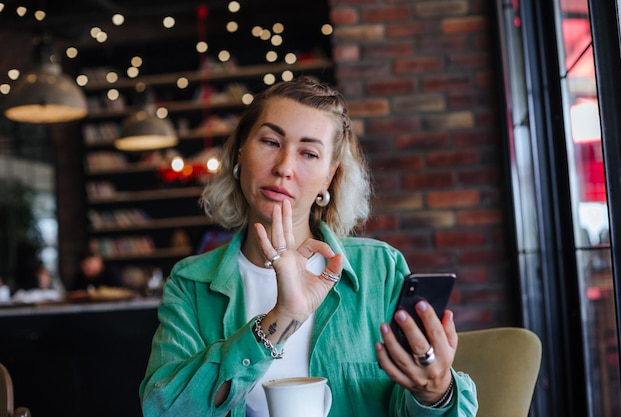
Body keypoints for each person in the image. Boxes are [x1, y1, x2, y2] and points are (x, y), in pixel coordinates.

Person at [140, 76, 478, 417]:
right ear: (240, 152)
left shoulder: (381, 269)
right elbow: (163, 410)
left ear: (328, 178)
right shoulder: (191, 283)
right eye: (271, 142)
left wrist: (435, 392)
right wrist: (281, 318)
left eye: (309, 153)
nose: (284, 167)